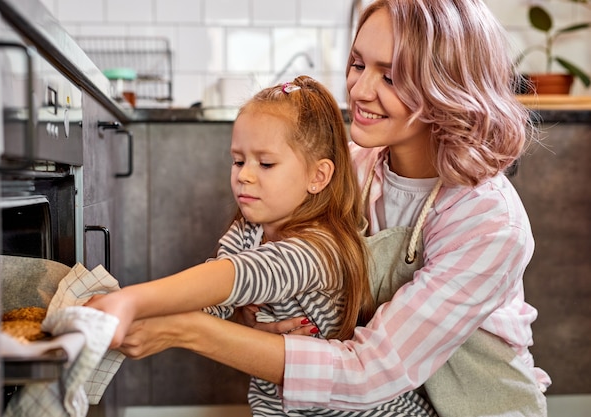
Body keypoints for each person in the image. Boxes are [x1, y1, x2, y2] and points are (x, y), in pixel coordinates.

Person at [91, 1, 551, 416]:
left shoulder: (489, 222)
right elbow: (255, 271)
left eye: (390, 76)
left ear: (447, 85)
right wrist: (252, 310)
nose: (360, 89)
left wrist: (184, 329)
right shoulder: (346, 168)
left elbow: (370, 371)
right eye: (357, 64)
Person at [88, 75, 436, 416]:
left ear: (318, 176)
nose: (244, 175)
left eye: (265, 163)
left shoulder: (321, 248)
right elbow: (214, 300)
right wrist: (140, 319)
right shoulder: (246, 232)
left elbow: (238, 276)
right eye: (238, 160)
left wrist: (131, 301)